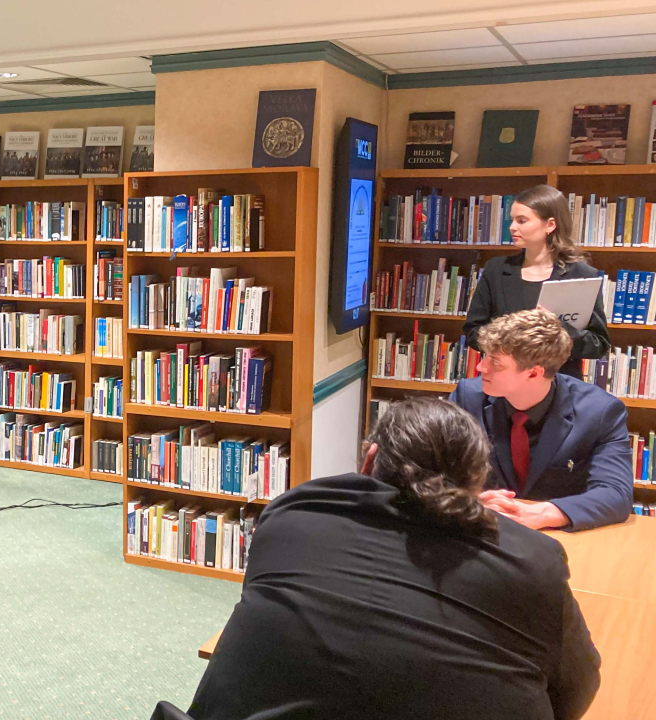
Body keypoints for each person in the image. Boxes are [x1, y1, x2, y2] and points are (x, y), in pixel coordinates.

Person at [162, 396, 599, 720]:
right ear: (477, 481)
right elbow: (575, 692)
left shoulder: (294, 512)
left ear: (370, 460)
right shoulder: (535, 560)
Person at [450, 309, 632, 531]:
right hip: (485, 529)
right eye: (485, 356)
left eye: (495, 362)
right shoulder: (467, 397)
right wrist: (469, 502)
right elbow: (432, 472)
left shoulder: (600, 411)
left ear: (534, 373)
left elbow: (616, 493)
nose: (481, 367)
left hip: (559, 537)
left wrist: (546, 513)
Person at [463, 184, 609, 379]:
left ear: (550, 225)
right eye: (512, 220)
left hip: (559, 384)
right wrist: (514, 339)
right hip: (505, 382)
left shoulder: (582, 275)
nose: (512, 227)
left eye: (522, 220)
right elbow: (473, 332)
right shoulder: (496, 270)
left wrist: (557, 330)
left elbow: (598, 344)